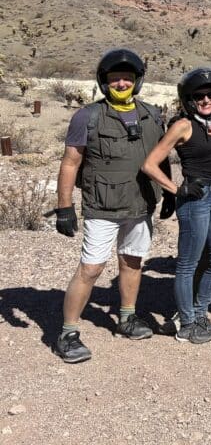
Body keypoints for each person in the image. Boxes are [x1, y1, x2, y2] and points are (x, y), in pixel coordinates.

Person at [52, 49, 165, 363]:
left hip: (140, 205)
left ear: (137, 80)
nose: (121, 83)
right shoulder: (87, 116)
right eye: (115, 78)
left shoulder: (152, 114)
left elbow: (161, 157)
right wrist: (64, 207)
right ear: (104, 82)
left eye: (127, 78)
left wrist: (167, 194)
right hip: (102, 206)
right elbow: (71, 162)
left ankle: (127, 317)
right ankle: (67, 332)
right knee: (91, 269)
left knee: (132, 262)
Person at [142, 68, 211, 344]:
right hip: (195, 199)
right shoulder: (182, 125)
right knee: (188, 264)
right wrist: (177, 189)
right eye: (200, 96)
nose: (206, 99)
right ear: (189, 99)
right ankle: (187, 324)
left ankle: (199, 313)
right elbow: (149, 164)